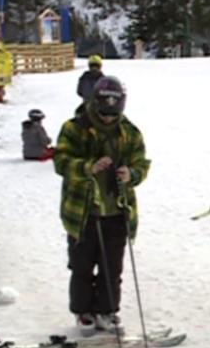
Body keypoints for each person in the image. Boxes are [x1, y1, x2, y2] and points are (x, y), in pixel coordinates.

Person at [53, 76, 150, 333]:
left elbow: (142, 163)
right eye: (103, 113)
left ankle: (107, 310)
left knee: (111, 268)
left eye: (113, 114)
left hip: (117, 212)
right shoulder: (74, 128)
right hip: (83, 212)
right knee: (82, 266)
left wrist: (132, 174)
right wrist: (88, 167)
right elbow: (60, 160)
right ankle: (83, 311)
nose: (108, 119)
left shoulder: (129, 132)